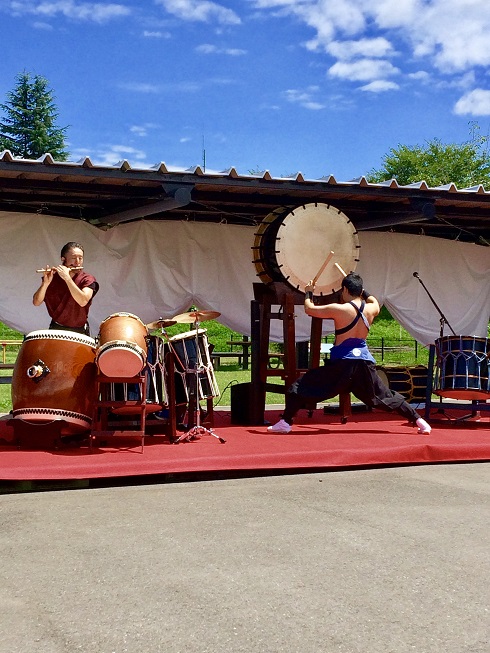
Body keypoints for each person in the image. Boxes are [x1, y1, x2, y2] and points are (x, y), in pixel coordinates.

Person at [267, 272, 431, 435]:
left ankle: (285, 422)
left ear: (344, 289)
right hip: (364, 364)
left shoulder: (339, 309)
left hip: (342, 365)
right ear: (360, 291)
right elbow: (372, 299)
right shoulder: (372, 309)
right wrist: (362, 291)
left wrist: (309, 291)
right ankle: (420, 421)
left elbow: (310, 309)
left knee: (299, 386)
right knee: (385, 397)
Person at [33, 242, 99, 336]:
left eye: (80, 258)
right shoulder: (53, 278)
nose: (77, 262)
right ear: (63, 259)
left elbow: (83, 300)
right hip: (56, 329)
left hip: (79, 332)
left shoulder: (87, 279)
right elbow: (36, 302)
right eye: (73, 258)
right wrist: (45, 284)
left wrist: (67, 278)